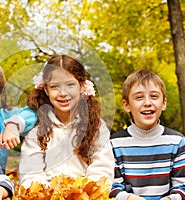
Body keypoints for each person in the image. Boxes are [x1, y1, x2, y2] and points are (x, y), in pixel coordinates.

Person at [19, 54, 114, 188]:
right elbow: (31, 175)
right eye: (55, 86)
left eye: (70, 84)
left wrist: (80, 194)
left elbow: (102, 171)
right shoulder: (37, 129)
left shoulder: (96, 127)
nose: (63, 93)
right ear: (46, 89)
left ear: (81, 87)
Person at [110, 69, 185, 200]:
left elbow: (184, 187)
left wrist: (171, 199)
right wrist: (129, 198)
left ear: (164, 103)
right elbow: (112, 186)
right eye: (139, 97)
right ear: (126, 105)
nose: (147, 103)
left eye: (154, 96)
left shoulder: (176, 141)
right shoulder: (115, 143)